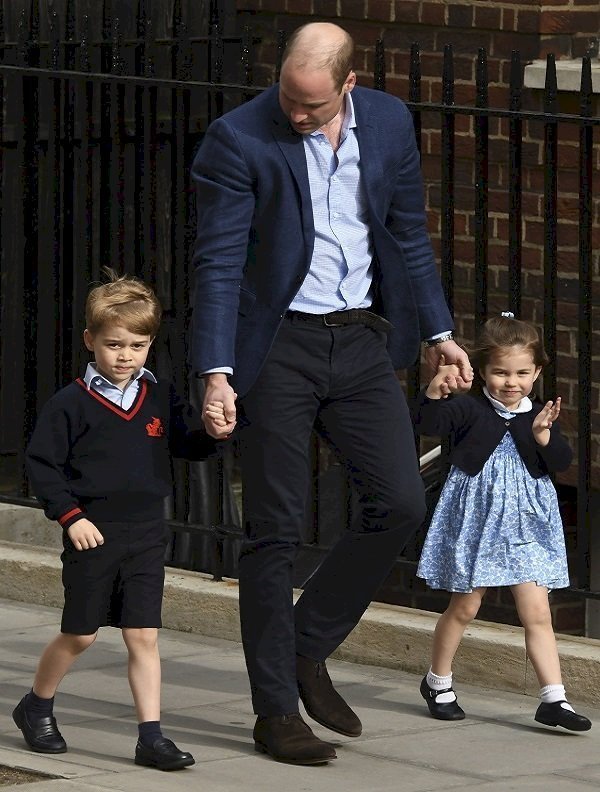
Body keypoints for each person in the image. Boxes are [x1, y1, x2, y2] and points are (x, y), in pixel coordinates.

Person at [190, 21, 472, 765]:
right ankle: (275, 710)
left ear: (348, 84)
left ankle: (305, 649)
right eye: (287, 95)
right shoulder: (237, 138)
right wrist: (215, 370)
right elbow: (218, 263)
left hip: (360, 340)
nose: (295, 114)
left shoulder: (388, 121)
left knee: (401, 501)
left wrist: (439, 330)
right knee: (274, 530)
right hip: (276, 346)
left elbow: (408, 231)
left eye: (311, 105)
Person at [14, 269, 224, 770]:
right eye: (113, 344)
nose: (125, 355)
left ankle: (151, 736)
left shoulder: (161, 395)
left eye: (137, 344)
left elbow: (185, 445)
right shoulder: (69, 405)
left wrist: (214, 433)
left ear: (150, 345)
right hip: (92, 534)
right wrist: (70, 517)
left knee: (143, 635)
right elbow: (41, 466)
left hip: (148, 532)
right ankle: (36, 705)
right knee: (81, 634)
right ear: (90, 341)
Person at [413, 314, 592, 732]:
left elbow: (562, 463)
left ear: (537, 372)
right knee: (466, 606)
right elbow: (427, 425)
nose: (512, 382)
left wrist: (545, 438)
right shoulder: (467, 407)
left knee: (538, 613)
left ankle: (554, 699)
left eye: (523, 373)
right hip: (477, 518)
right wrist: (434, 394)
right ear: (483, 371)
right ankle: (438, 682)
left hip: (526, 525)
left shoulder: (540, 415)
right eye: (500, 372)